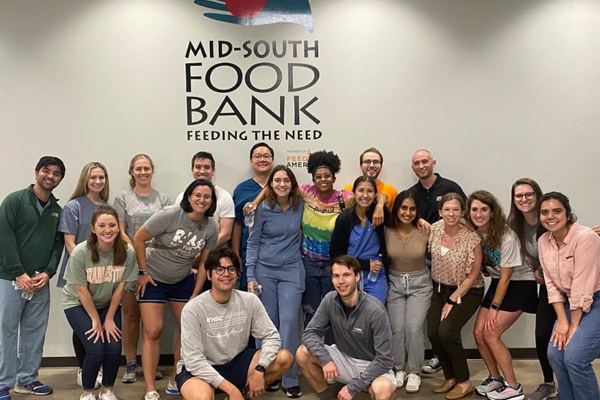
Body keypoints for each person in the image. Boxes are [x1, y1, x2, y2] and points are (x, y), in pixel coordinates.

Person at [134, 179, 219, 400]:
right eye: (197, 195)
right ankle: (150, 387)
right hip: (153, 279)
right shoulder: (170, 215)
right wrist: (143, 272)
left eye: (206, 196)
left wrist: (196, 292)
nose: (201, 200)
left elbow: (204, 263)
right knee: (153, 330)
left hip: (182, 280)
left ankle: (175, 378)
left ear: (212, 201)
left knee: (189, 331)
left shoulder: (212, 226)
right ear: (189, 197)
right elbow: (139, 238)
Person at [175, 247, 293, 400]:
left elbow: (271, 336)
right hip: (200, 369)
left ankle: (242, 394)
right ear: (209, 274)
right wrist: (230, 389)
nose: (226, 274)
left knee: (285, 358)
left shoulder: (249, 300)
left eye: (231, 269)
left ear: (237, 275)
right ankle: (233, 393)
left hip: (236, 363)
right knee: (202, 397)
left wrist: (260, 369)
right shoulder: (193, 309)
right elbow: (194, 361)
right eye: (219, 269)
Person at [0, 156, 66, 399]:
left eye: (56, 173)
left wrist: (48, 273)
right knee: (6, 330)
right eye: (46, 171)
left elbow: (57, 247)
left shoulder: (57, 211)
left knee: (34, 331)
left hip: (39, 283)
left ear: (60, 179)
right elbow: (4, 237)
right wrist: (18, 272)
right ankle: (3, 382)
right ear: (37, 172)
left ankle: (27, 379)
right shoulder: (15, 201)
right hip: (9, 278)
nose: (50, 176)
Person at [62, 206, 138, 400]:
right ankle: (87, 392)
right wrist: (96, 320)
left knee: (113, 347)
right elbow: (81, 290)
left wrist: (110, 318)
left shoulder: (127, 252)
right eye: (102, 225)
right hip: (77, 303)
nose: (108, 230)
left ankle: (107, 390)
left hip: (106, 303)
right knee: (96, 349)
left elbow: (120, 287)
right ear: (93, 228)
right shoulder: (81, 252)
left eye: (112, 225)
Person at [467, 190, 537, 400]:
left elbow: (507, 278)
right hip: (499, 283)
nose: (478, 214)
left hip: (520, 284)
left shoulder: (506, 236)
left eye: (484, 209)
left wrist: (494, 309)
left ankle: (514, 387)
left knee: (490, 334)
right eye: (474, 209)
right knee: (478, 333)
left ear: (492, 212)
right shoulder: (476, 232)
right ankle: (495, 378)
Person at [296, 255, 396, 400]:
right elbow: (310, 333)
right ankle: (327, 398)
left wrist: (352, 387)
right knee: (302, 353)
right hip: (344, 357)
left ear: (357, 277)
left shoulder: (375, 310)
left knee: (382, 390)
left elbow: (385, 360)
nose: (341, 281)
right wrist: (325, 359)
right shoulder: (330, 300)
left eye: (346, 275)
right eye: (336, 276)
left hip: (372, 364)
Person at [246, 165, 305, 398]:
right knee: (267, 324)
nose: (282, 184)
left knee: (290, 321)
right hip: (265, 271)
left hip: (292, 269)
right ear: (270, 184)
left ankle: (290, 376)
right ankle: (269, 372)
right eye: (277, 180)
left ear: (292, 183)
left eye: (286, 180)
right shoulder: (261, 209)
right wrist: (251, 275)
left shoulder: (300, 205)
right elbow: (253, 243)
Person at [112, 154, 171, 385]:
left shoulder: (163, 199)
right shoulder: (122, 198)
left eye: (147, 168)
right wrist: (137, 251)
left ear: (152, 171)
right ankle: (130, 364)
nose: (143, 172)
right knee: (130, 315)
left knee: (152, 319)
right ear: (132, 172)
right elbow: (120, 230)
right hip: (130, 263)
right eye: (139, 169)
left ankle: (150, 364)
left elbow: (166, 231)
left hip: (157, 264)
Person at [408, 149, 466, 375]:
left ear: (433, 162)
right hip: (425, 259)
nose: (421, 165)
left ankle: (450, 358)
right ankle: (438, 355)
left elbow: (466, 215)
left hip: (451, 258)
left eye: (424, 161)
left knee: (451, 310)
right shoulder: (412, 192)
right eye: (416, 163)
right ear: (413, 168)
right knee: (434, 311)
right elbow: (407, 217)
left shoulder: (450, 187)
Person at [538, 192, 600, 400]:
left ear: (567, 213)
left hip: (595, 300)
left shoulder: (585, 237)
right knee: (555, 355)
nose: (551, 216)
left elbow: (583, 285)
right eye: (545, 212)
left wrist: (573, 326)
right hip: (570, 303)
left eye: (557, 211)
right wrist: (562, 321)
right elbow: (552, 285)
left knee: (575, 358)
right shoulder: (543, 241)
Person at [56, 162, 110, 389]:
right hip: (79, 272)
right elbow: (69, 241)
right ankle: (83, 367)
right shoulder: (73, 206)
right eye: (93, 177)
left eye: (101, 177)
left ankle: (94, 367)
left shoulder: (108, 205)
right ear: (85, 180)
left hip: (102, 274)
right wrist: (84, 268)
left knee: (97, 321)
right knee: (83, 325)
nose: (97, 182)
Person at [427, 193, 484, 400]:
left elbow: (474, 273)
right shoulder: (434, 229)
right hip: (440, 288)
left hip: (468, 290)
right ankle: (450, 377)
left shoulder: (471, 236)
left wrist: (453, 299)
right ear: (440, 211)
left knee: (447, 332)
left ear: (463, 212)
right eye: (447, 209)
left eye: (456, 210)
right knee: (433, 332)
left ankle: (464, 382)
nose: (451, 214)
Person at [507, 179, 559, 400]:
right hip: (547, 286)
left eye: (528, 194)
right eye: (519, 196)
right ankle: (549, 383)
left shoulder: (549, 219)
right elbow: (527, 254)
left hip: (567, 282)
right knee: (542, 334)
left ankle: (571, 384)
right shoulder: (514, 224)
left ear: (537, 195)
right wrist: (537, 269)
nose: (524, 199)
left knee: (568, 336)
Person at [298, 150, 352, 335]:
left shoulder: (345, 198)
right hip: (309, 264)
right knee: (310, 312)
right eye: (318, 176)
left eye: (327, 176)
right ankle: (310, 357)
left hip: (333, 266)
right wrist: (254, 203)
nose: (323, 179)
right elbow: (275, 183)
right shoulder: (306, 192)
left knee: (334, 312)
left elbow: (372, 197)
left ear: (334, 177)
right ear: (313, 179)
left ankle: (332, 358)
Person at [384, 190, 431, 393]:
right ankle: (398, 368)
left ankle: (414, 371)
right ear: (396, 209)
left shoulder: (425, 229)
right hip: (394, 283)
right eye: (404, 207)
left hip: (420, 284)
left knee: (414, 329)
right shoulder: (385, 229)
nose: (408, 212)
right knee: (397, 329)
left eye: (413, 209)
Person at [330, 176, 389, 304]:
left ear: (375, 194)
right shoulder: (344, 219)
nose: (365, 195)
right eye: (361, 190)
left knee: (376, 313)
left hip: (375, 276)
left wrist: (380, 205)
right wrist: (365, 264)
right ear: (354, 192)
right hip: (350, 273)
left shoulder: (379, 214)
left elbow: (400, 222)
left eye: (370, 191)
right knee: (352, 316)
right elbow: (335, 254)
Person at [232, 142, 274, 291]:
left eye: (266, 156)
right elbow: (237, 224)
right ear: (251, 162)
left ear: (272, 161)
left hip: (276, 253)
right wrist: (236, 254)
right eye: (257, 156)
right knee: (249, 299)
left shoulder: (282, 187)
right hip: (248, 253)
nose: (262, 159)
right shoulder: (241, 189)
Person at [175, 151, 235, 248]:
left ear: (213, 171)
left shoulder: (225, 197)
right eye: (198, 167)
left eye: (207, 167)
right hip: (186, 255)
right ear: (192, 170)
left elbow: (225, 234)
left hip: (215, 255)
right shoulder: (182, 197)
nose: (202, 171)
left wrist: (203, 253)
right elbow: (178, 229)